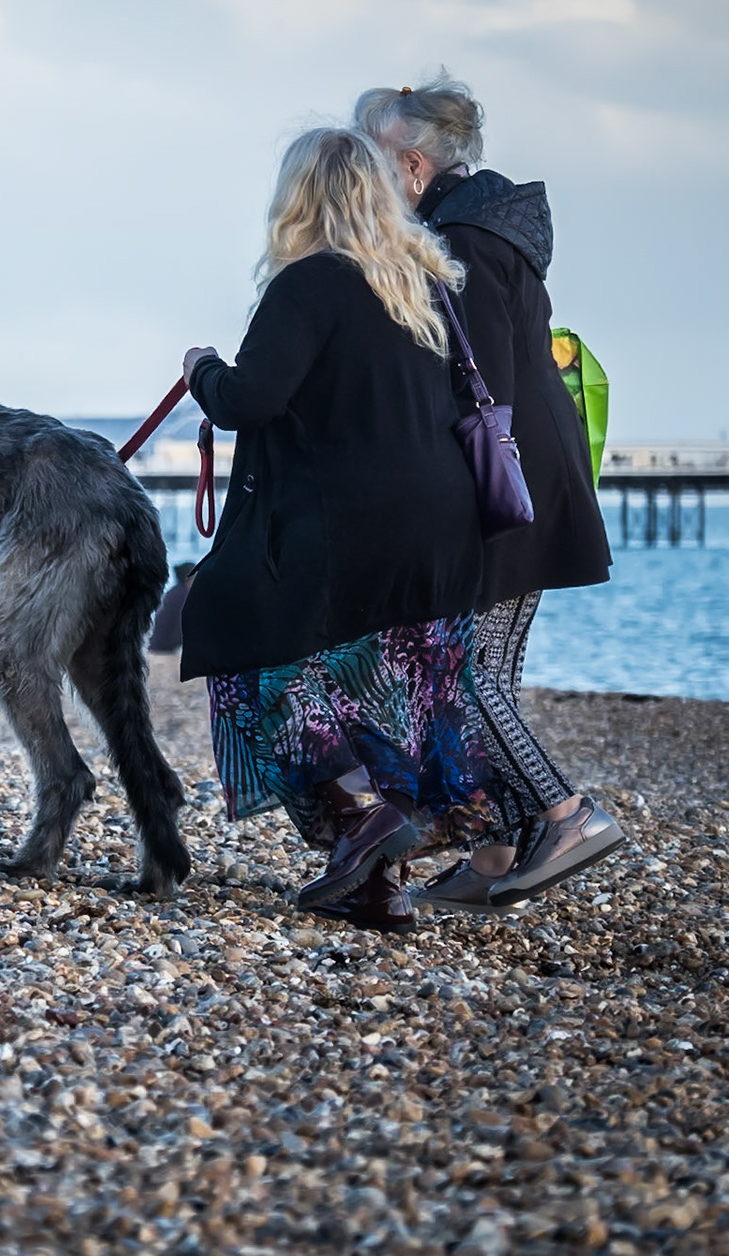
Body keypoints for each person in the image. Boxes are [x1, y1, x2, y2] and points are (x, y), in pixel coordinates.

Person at [179, 127, 495, 934]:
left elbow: (249, 400)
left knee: (245, 643)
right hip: (442, 523)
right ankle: (373, 883)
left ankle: (359, 818)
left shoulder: (310, 283)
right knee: (393, 687)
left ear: (300, 199)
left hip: (354, 518)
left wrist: (201, 369)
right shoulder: (421, 283)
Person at [356, 77, 624, 912]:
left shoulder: (463, 236)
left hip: (508, 482)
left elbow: (479, 383)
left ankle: (567, 814)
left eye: (367, 163)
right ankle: (497, 847)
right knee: (473, 671)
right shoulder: (482, 220)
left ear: (409, 165)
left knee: (473, 674)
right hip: (526, 472)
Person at [148, 562, 197, 654]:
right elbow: (181, 629)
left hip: (157, 646)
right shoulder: (185, 596)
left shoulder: (174, 592)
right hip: (166, 649)